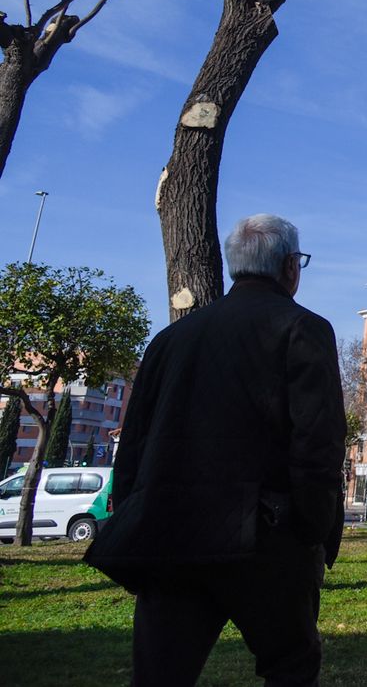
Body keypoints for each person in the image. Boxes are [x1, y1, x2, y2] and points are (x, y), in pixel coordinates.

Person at [85, 215, 345, 686]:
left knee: (159, 676)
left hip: (171, 535)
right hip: (266, 540)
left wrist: (133, 515)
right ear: (290, 266)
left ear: (234, 266)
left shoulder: (169, 340)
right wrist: (312, 530)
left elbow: (134, 442)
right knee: (290, 665)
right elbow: (318, 442)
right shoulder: (303, 328)